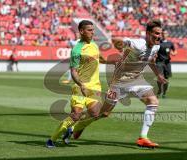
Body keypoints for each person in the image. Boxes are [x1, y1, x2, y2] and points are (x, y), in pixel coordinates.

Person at [64, 20, 167, 148]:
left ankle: (143, 138)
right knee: (103, 114)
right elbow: (115, 40)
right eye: (156, 33)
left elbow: (150, 60)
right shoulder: (137, 44)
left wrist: (159, 75)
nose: (158, 36)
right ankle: (80, 125)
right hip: (119, 82)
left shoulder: (156, 46)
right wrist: (120, 47)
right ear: (147, 33)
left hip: (137, 80)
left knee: (153, 102)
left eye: (160, 34)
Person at [46, 20, 106, 148]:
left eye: (93, 29)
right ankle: (52, 139)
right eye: (89, 30)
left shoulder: (94, 45)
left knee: (96, 114)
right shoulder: (77, 50)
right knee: (75, 115)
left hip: (95, 86)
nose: (92, 32)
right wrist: (81, 84)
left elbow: (97, 58)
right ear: (81, 31)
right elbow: (73, 71)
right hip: (80, 87)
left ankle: (74, 129)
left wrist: (110, 62)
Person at [156, 29, 176, 98]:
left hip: (167, 63)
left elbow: (174, 51)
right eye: (163, 33)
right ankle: (159, 90)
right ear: (161, 34)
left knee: (166, 80)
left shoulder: (170, 43)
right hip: (159, 62)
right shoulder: (158, 43)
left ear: (168, 34)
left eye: (166, 33)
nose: (164, 35)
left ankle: (164, 93)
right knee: (159, 78)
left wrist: (173, 53)